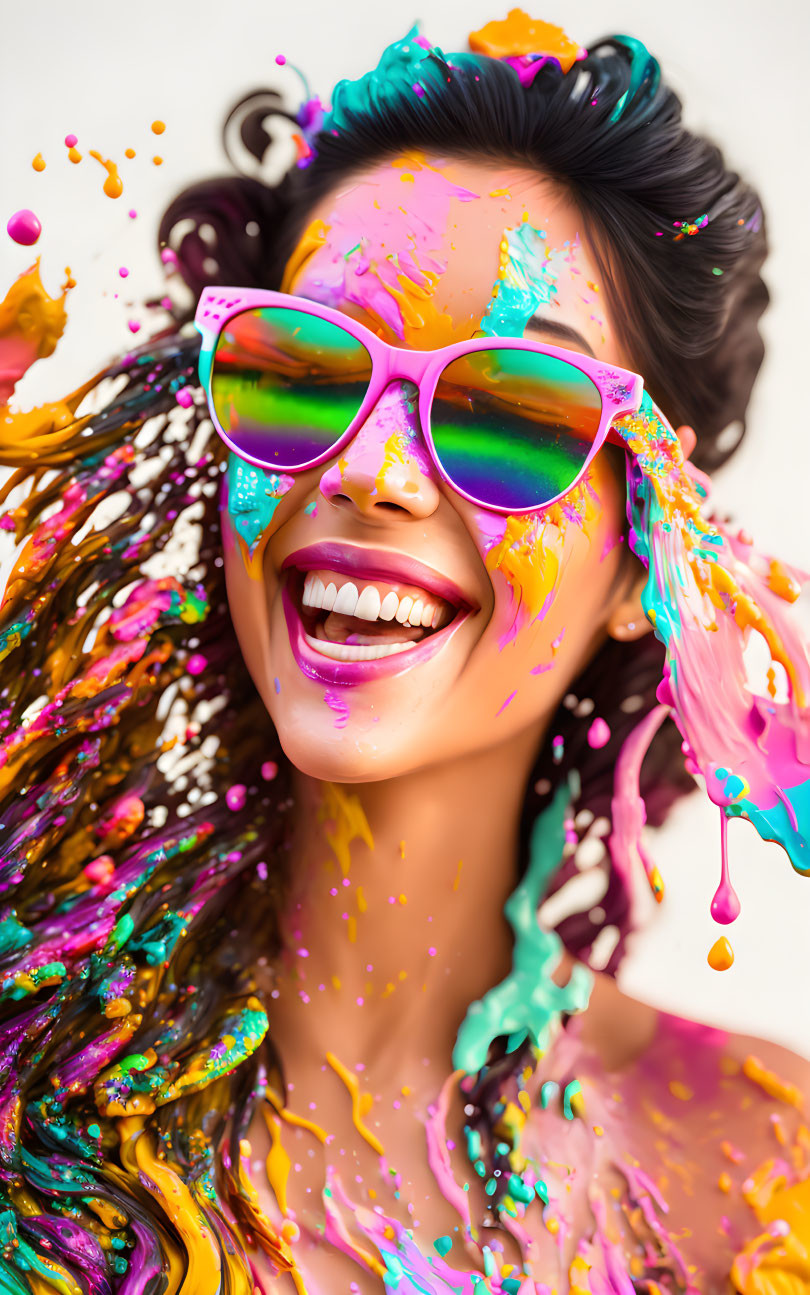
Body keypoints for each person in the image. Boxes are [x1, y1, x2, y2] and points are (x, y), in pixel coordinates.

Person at [1, 12, 808, 1293]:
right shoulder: (21, 1076)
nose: (370, 471)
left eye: (510, 412)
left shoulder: (768, 1170)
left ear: (648, 547)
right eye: (302, 371)